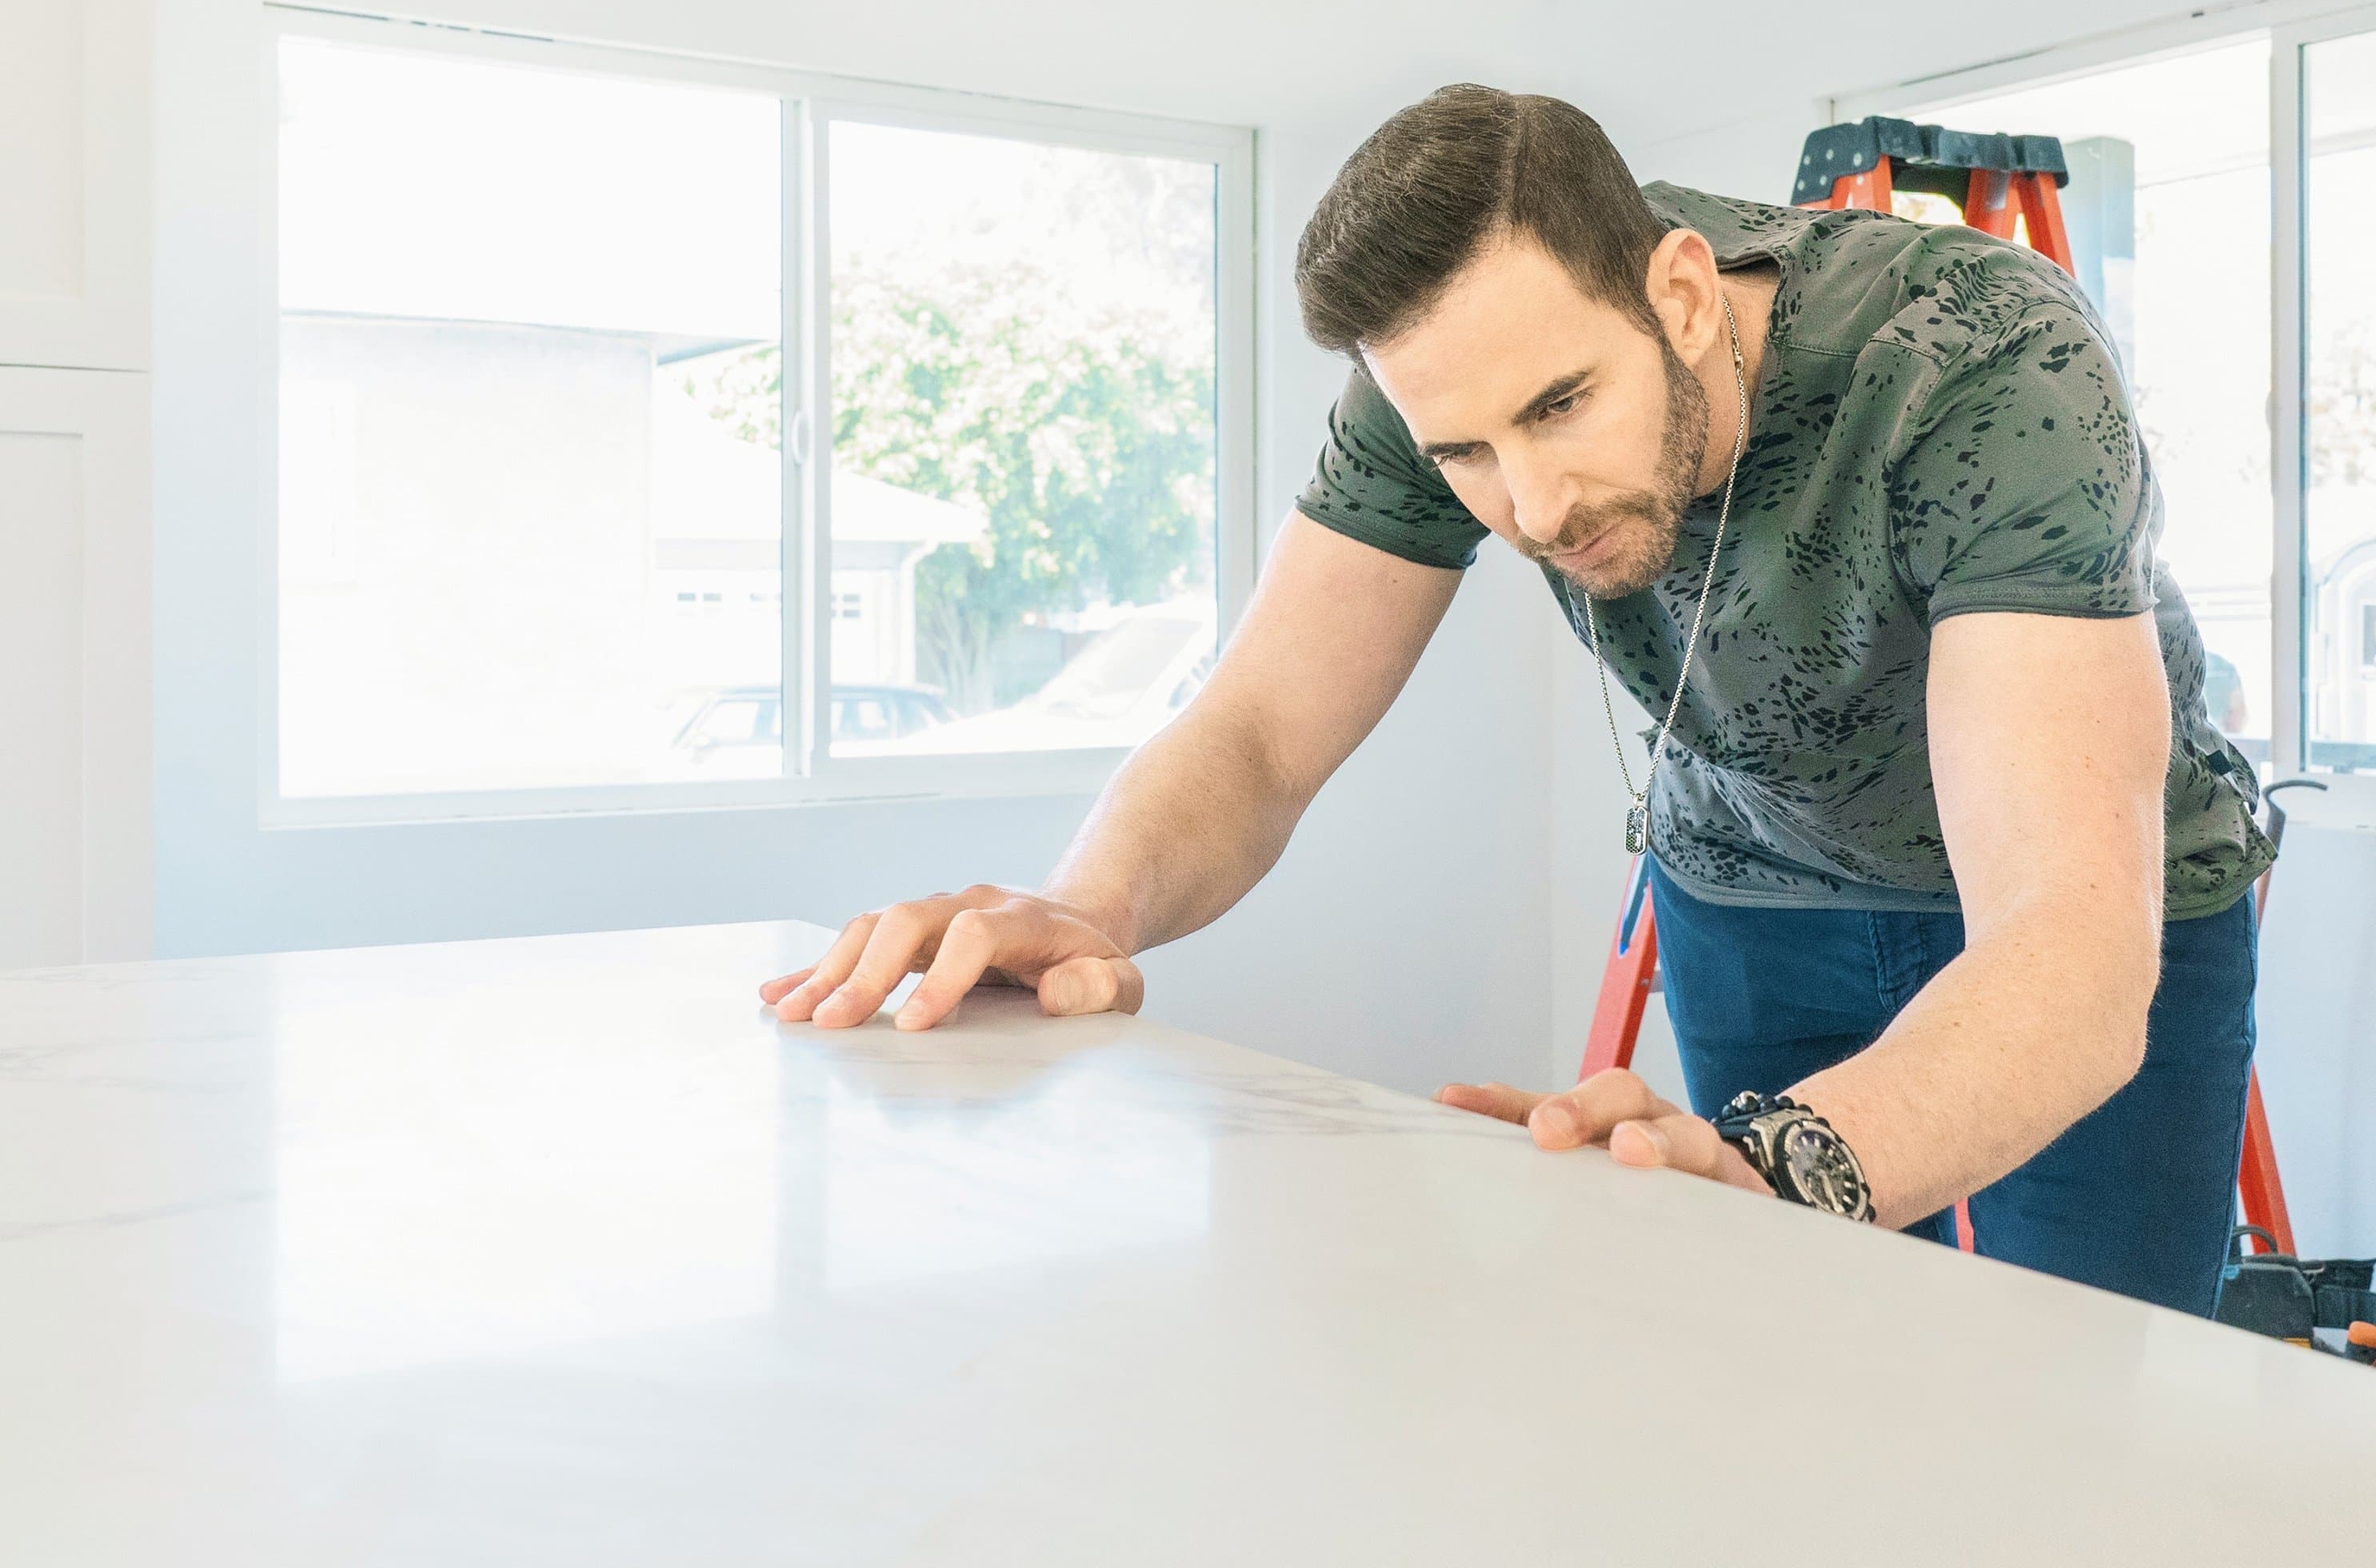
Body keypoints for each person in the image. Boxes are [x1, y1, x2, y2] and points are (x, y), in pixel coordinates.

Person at [760, 86, 2275, 1315]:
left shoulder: (1983, 359)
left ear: (1682, 292)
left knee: (2082, 1408)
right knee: (1807, 1365)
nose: (1532, 503)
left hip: (2090, 917)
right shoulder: (1443, 373)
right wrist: (1091, 908)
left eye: (1562, 408)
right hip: (1750, 886)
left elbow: (2068, 945)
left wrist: (1784, 1162)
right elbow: (1262, 727)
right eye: (1466, 457)